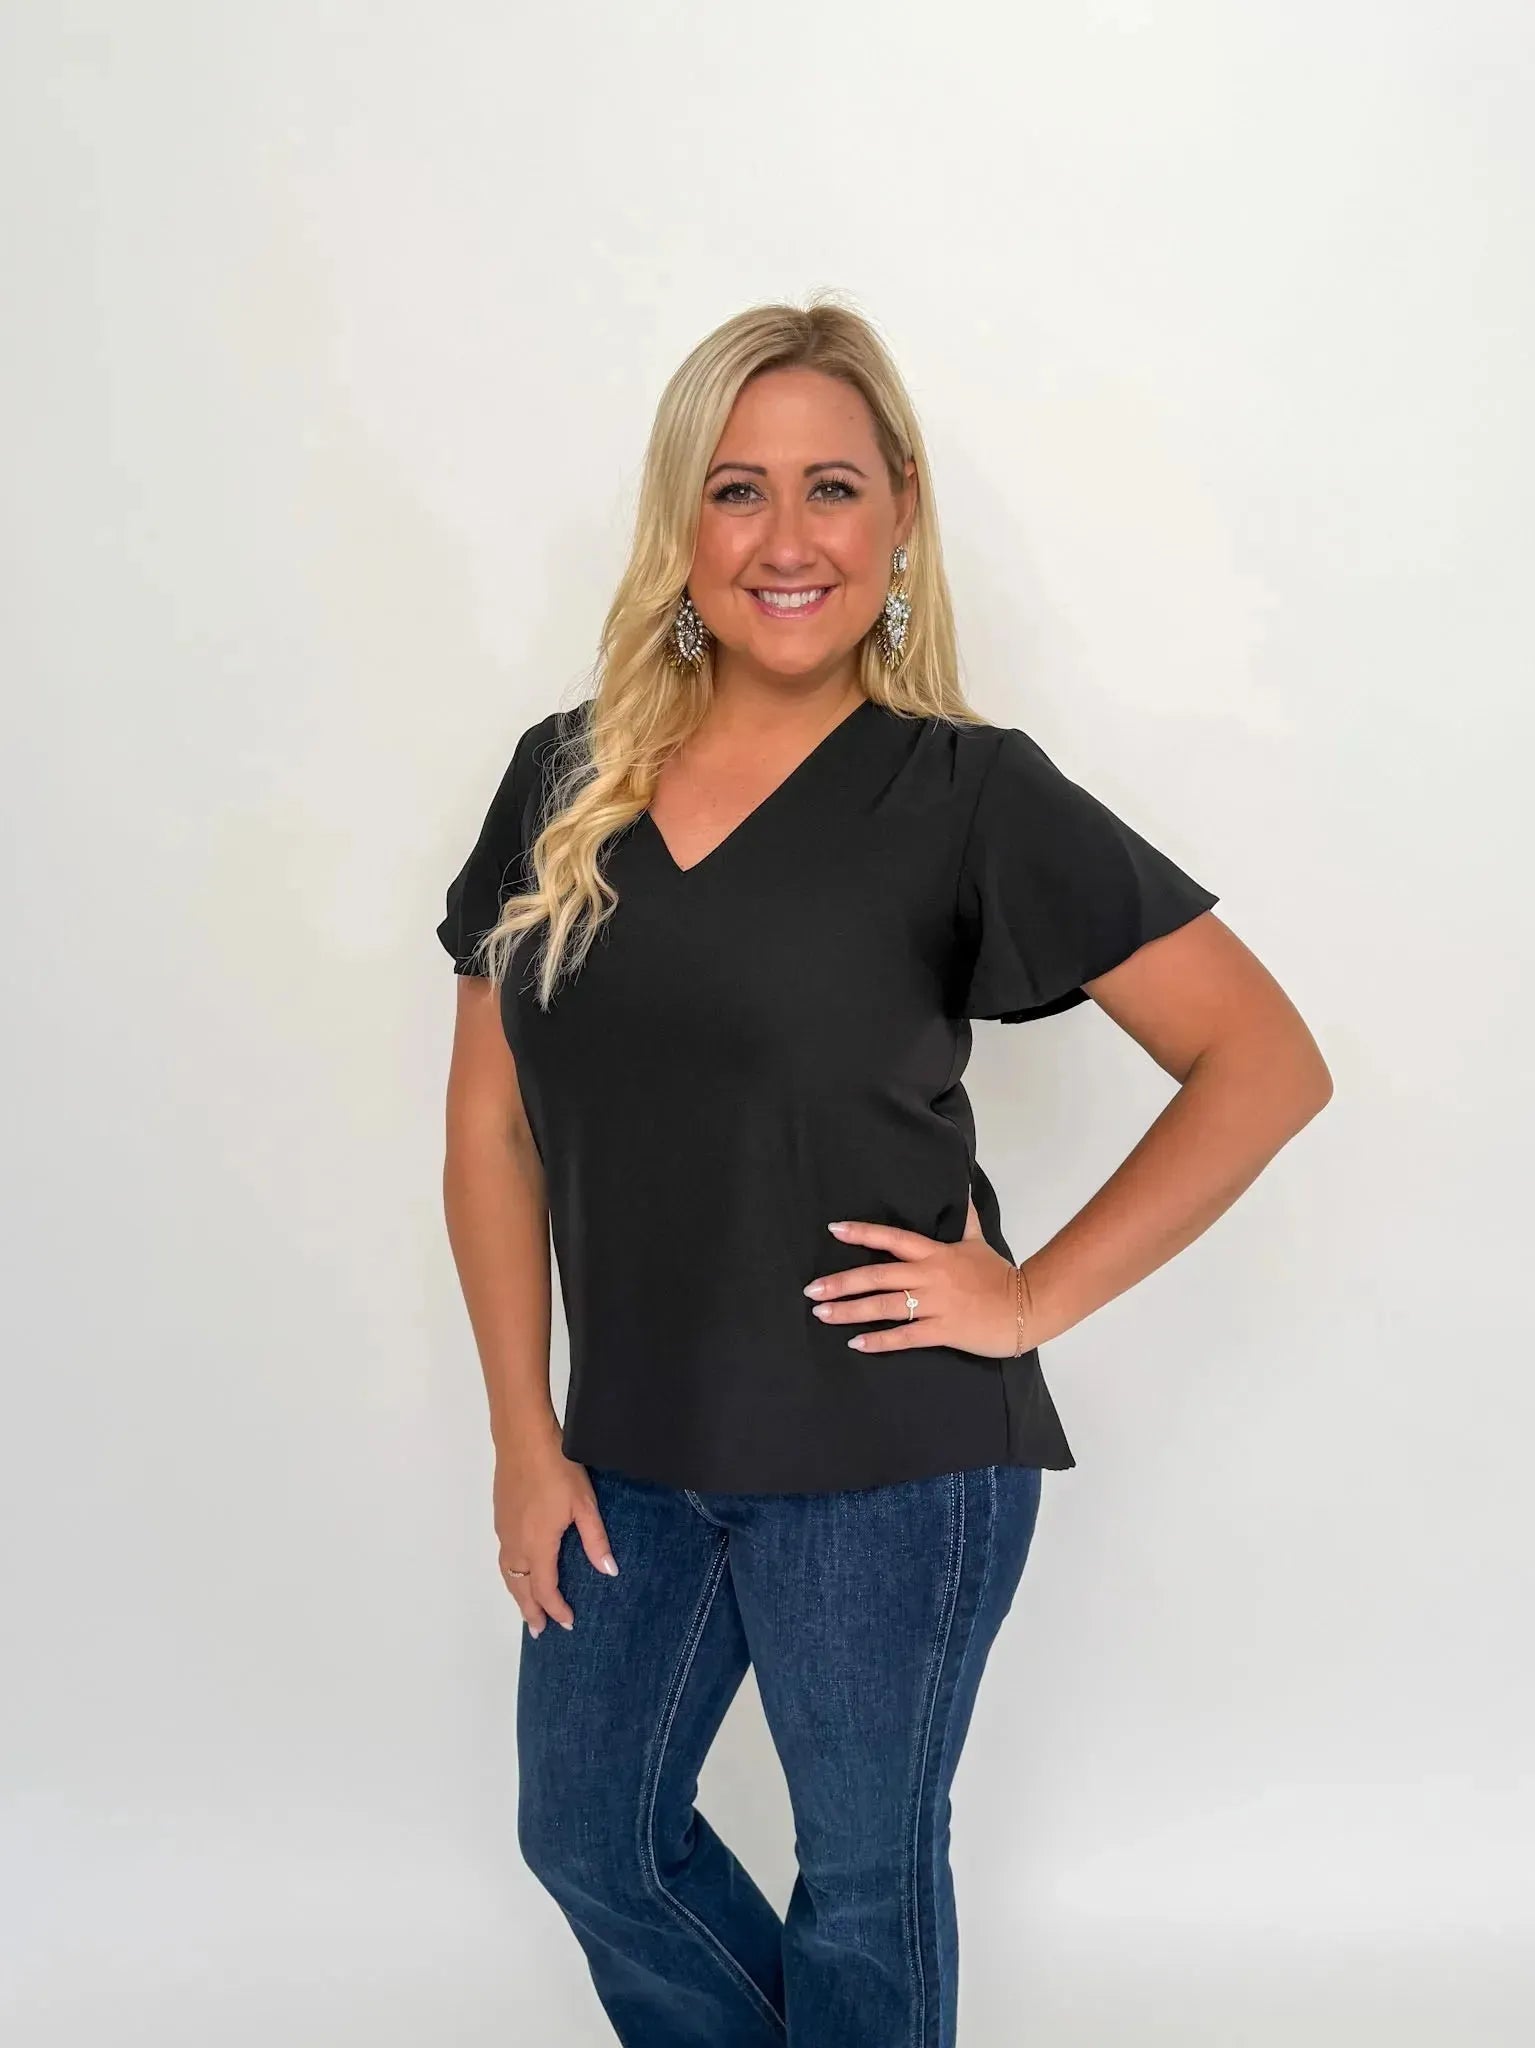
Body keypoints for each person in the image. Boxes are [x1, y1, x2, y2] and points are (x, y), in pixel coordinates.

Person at [435, 295, 1332, 2048]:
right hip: (627, 1455)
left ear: (900, 513)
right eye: (738, 488)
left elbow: (1264, 1061)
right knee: (591, 1839)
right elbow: (491, 1129)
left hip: (894, 1460)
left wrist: (1031, 1296)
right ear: (681, 521)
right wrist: (522, 1437)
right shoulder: (562, 781)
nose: (788, 539)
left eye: (832, 487)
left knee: (862, 1887)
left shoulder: (967, 794)